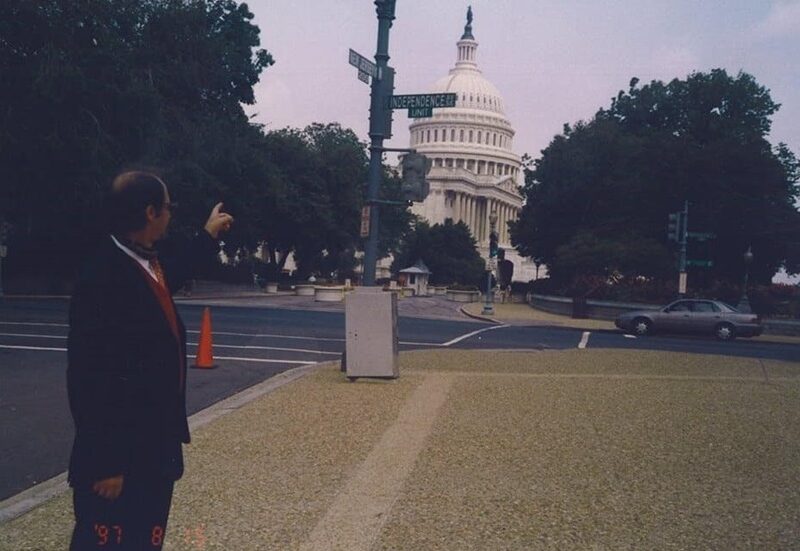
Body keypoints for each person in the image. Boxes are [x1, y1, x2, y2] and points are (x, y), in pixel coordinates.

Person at [67, 170, 233, 550]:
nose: (170, 214)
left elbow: (167, 281)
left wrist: (207, 236)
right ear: (149, 212)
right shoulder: (103, 277)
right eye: (168, 207)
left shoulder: (142, 264)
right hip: (119, 462)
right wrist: (106, 463)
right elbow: (88, 378)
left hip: (151, 453)